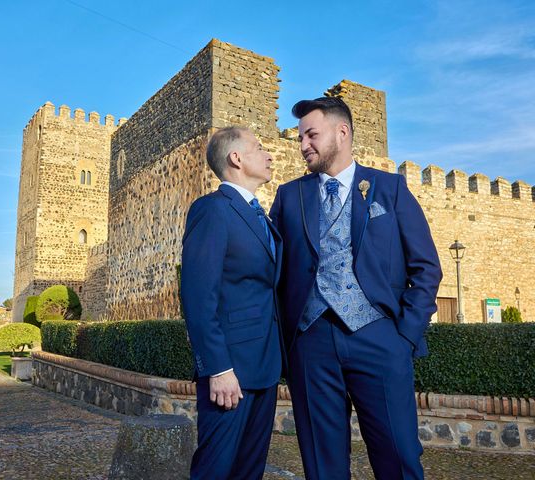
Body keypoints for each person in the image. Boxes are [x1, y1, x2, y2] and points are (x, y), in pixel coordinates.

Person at [269, 96, 442, 479]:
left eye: (311, 135)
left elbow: (427, 268)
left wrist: (405, 337)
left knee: (399, 457)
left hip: (380, 339)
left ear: (342, 132)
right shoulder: (289, 195)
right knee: (321, 465)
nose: (303, 146)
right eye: (300, 137)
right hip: (311, 345)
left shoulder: (390, 189)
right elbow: (271, 272)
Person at [181, 126, 283, 479]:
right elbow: (197, 297)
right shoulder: (212, 210)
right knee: (216, 470)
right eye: (259, 148)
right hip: (231, 374)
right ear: (236, 158)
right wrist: (218, 369)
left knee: (248, 472)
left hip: (265, 368)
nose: (269, 155)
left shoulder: (263, 218)